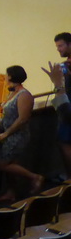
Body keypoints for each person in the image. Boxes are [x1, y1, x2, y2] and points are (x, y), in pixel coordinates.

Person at [0, 65, 44, 203]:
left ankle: (34, 177)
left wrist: (6, 134)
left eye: (6, 74)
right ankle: (12, 192)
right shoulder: (12, 93)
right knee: (11, 165)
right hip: (8, 133)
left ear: (10, 76)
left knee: (2, 164)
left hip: (17, 136)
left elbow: (22, 119)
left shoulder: (24, 95)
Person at [53, 33, 71, 177]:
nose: (58, 49)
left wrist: (58, 82)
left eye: (61, 45)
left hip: (68, 108)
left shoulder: (67, 66)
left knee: (65, 143)